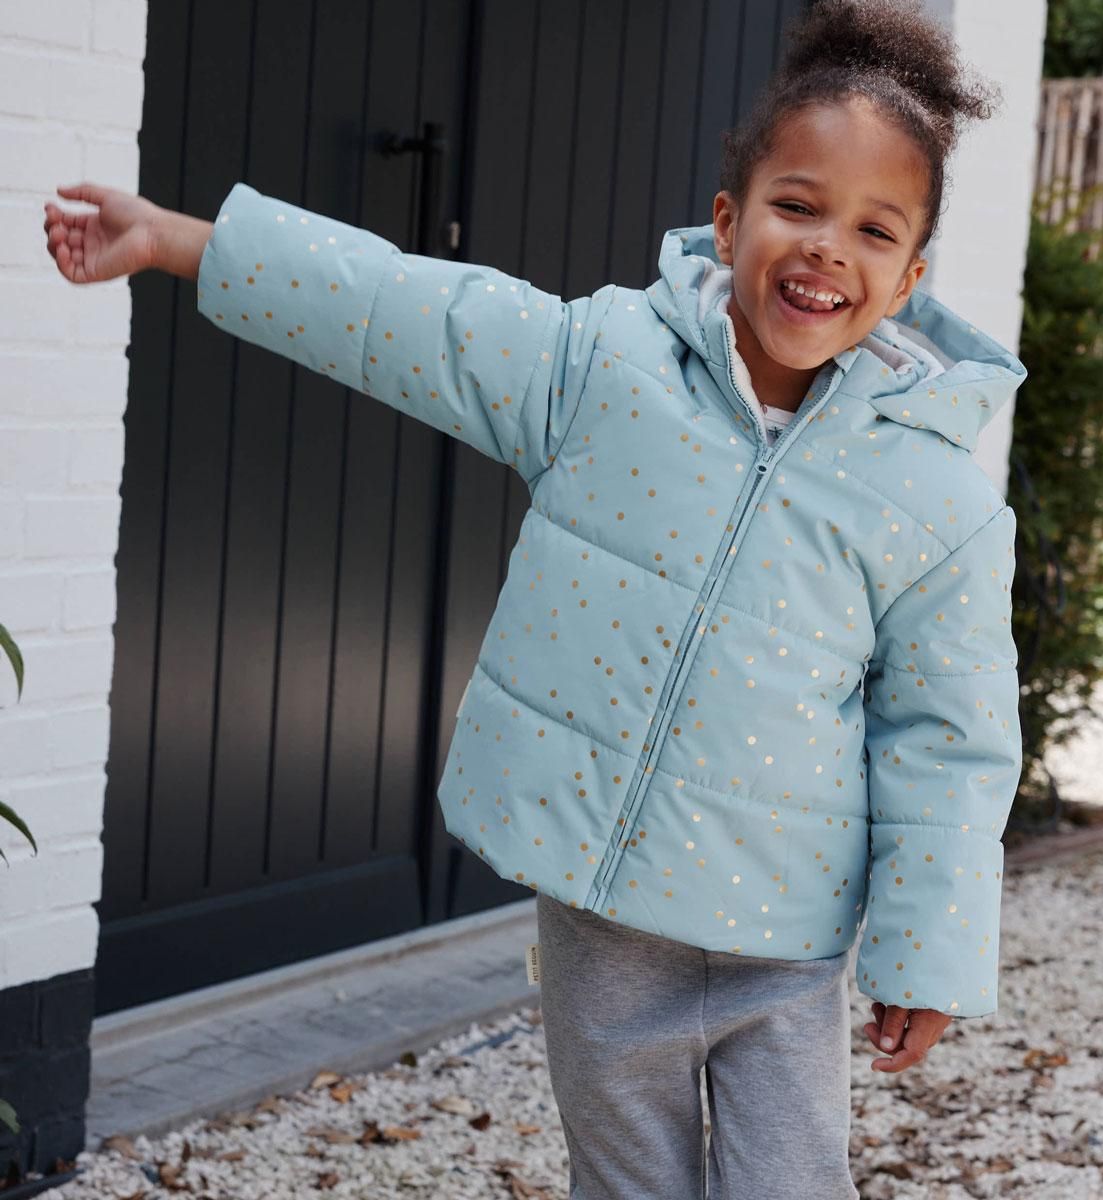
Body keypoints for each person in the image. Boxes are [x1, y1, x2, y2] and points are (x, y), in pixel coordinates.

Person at [42, 1, 1026, 1194]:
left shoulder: (937, 499)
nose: (828, 248)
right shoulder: (599, 368)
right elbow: (400, 309)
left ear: (911, 277)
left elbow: (951, 736)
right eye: (798, 206)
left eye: (874, 229)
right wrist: (179, 239)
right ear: (728, 223)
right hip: (605, 922)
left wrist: (928, 951)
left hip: (786, 937)